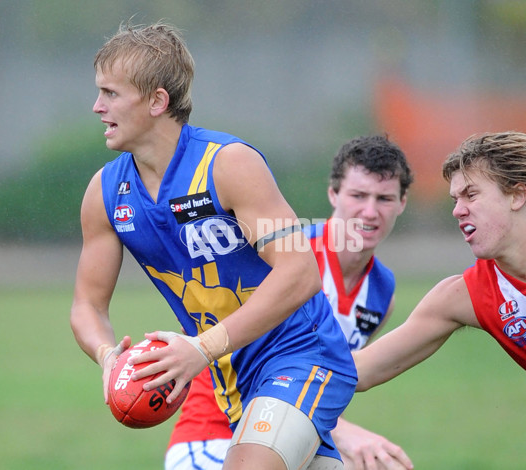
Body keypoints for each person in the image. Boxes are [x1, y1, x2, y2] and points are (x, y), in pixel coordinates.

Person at [69, 21, 358, 470]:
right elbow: (87, 305)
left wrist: (200, 349)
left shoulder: (227, 164)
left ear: (157, 101)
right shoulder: (105, 193)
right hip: (236, 382)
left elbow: (299, 274)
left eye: (110, 94)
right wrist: (108, 357)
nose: (96, 106)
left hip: (303, 354)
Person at [166, 135, 416, 470]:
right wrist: (346, 433)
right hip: (216, 435)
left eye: (384, 198)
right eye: (358, 195)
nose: (370, 211)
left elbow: (328, 376)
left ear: (402, 203)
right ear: (333, 194)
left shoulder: (382, 291)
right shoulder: (287, 257)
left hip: (293, 433)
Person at [354, 131, 526, 415]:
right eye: (456, 199)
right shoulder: (467, 295)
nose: (457, 210)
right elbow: (361, 371)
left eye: (471, 194)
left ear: (517, 196)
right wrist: (287, 357)